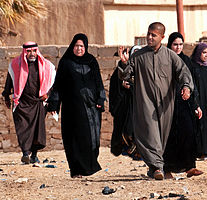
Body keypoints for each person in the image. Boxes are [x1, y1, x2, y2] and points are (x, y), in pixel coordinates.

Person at [118, 22, 194, 180]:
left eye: (154, 35)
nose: (149, 37)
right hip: (145, 103)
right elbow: (126, 75)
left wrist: (186, 87)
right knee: (150, 135)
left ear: (162, 37)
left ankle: (154, 168)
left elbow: (183, 72)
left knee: (162, 137)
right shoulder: (138, 56)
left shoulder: (170, 55)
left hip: (166, 105)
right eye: (148, 34)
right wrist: (124, 63)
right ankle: (157, 167)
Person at [47, 33, 106, 178]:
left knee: (92, 137)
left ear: (86, 47)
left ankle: (90, 167)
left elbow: (98, 81)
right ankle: (77, 170)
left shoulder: (91, 61)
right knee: (73, 138)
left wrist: (100, 99)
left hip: (91, 107)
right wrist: (54, 103)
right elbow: (58, 85)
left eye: (82, 46)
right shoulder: (66, 62)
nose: (79, 49)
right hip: (72, 109)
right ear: (72, 46)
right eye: (76, 46)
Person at [2, 42, 56, 164]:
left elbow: (53, 83)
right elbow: (10, 80)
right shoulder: (16, 65)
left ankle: (34, 155)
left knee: (37, 131)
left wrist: (48, 95)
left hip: (38, 103)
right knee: (23, 128)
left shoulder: (46, 66)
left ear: (37, 51)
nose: (31, 54)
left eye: (34, 51)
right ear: (24, 52)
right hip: (22, 103)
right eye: (29, 51)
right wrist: (6, 96)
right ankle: (25, 153)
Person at [163, 32, 203, 178]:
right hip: (167, 104)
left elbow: (194, 85)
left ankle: (190, 166)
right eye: (175, 44)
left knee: (188, 132)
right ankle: (167, 169)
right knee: (169, 136)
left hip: (185, 103)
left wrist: (196, 105)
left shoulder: (187, 61)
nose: (178, 47)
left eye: (180, 44)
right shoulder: (164, 60)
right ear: (169, 45)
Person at [109, 45, 142, 160]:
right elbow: (115, 85)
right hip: (125, 106)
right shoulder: (122, 68)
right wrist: (123, 86)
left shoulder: (145, 69)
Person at [191, 42, 207, 160]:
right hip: (198, 100)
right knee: (198, 125)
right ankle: (199, 151)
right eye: (203, 53)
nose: (206, 55)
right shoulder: (193, 67)